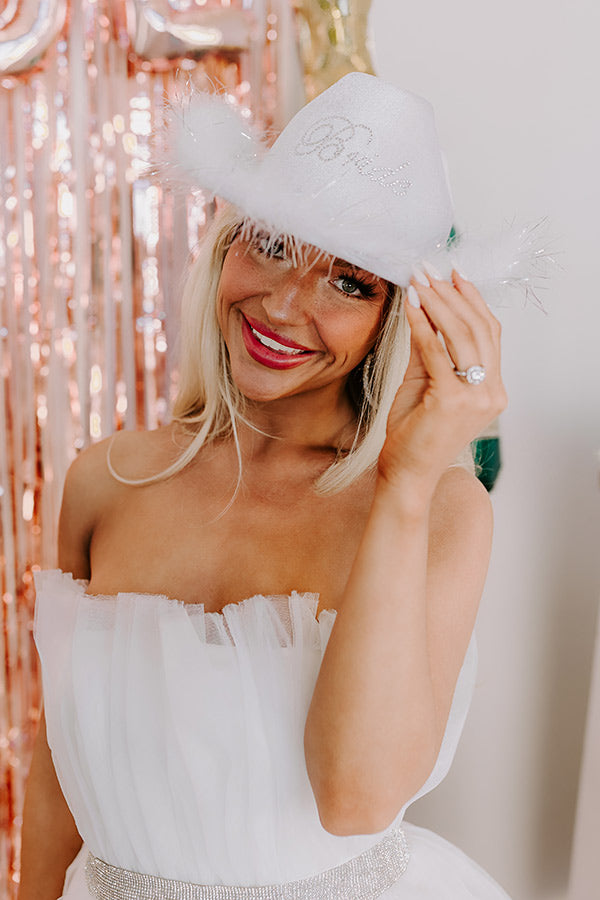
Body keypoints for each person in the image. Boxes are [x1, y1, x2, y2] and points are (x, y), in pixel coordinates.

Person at [19, 73, 512, 900]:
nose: (284, 304)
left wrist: (403, 479)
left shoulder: (441, 511)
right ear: (225, 246)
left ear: (399, 318)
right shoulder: (104, 482)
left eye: (348, 281)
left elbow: (356, 800)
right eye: (271, 243)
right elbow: (58, 772)